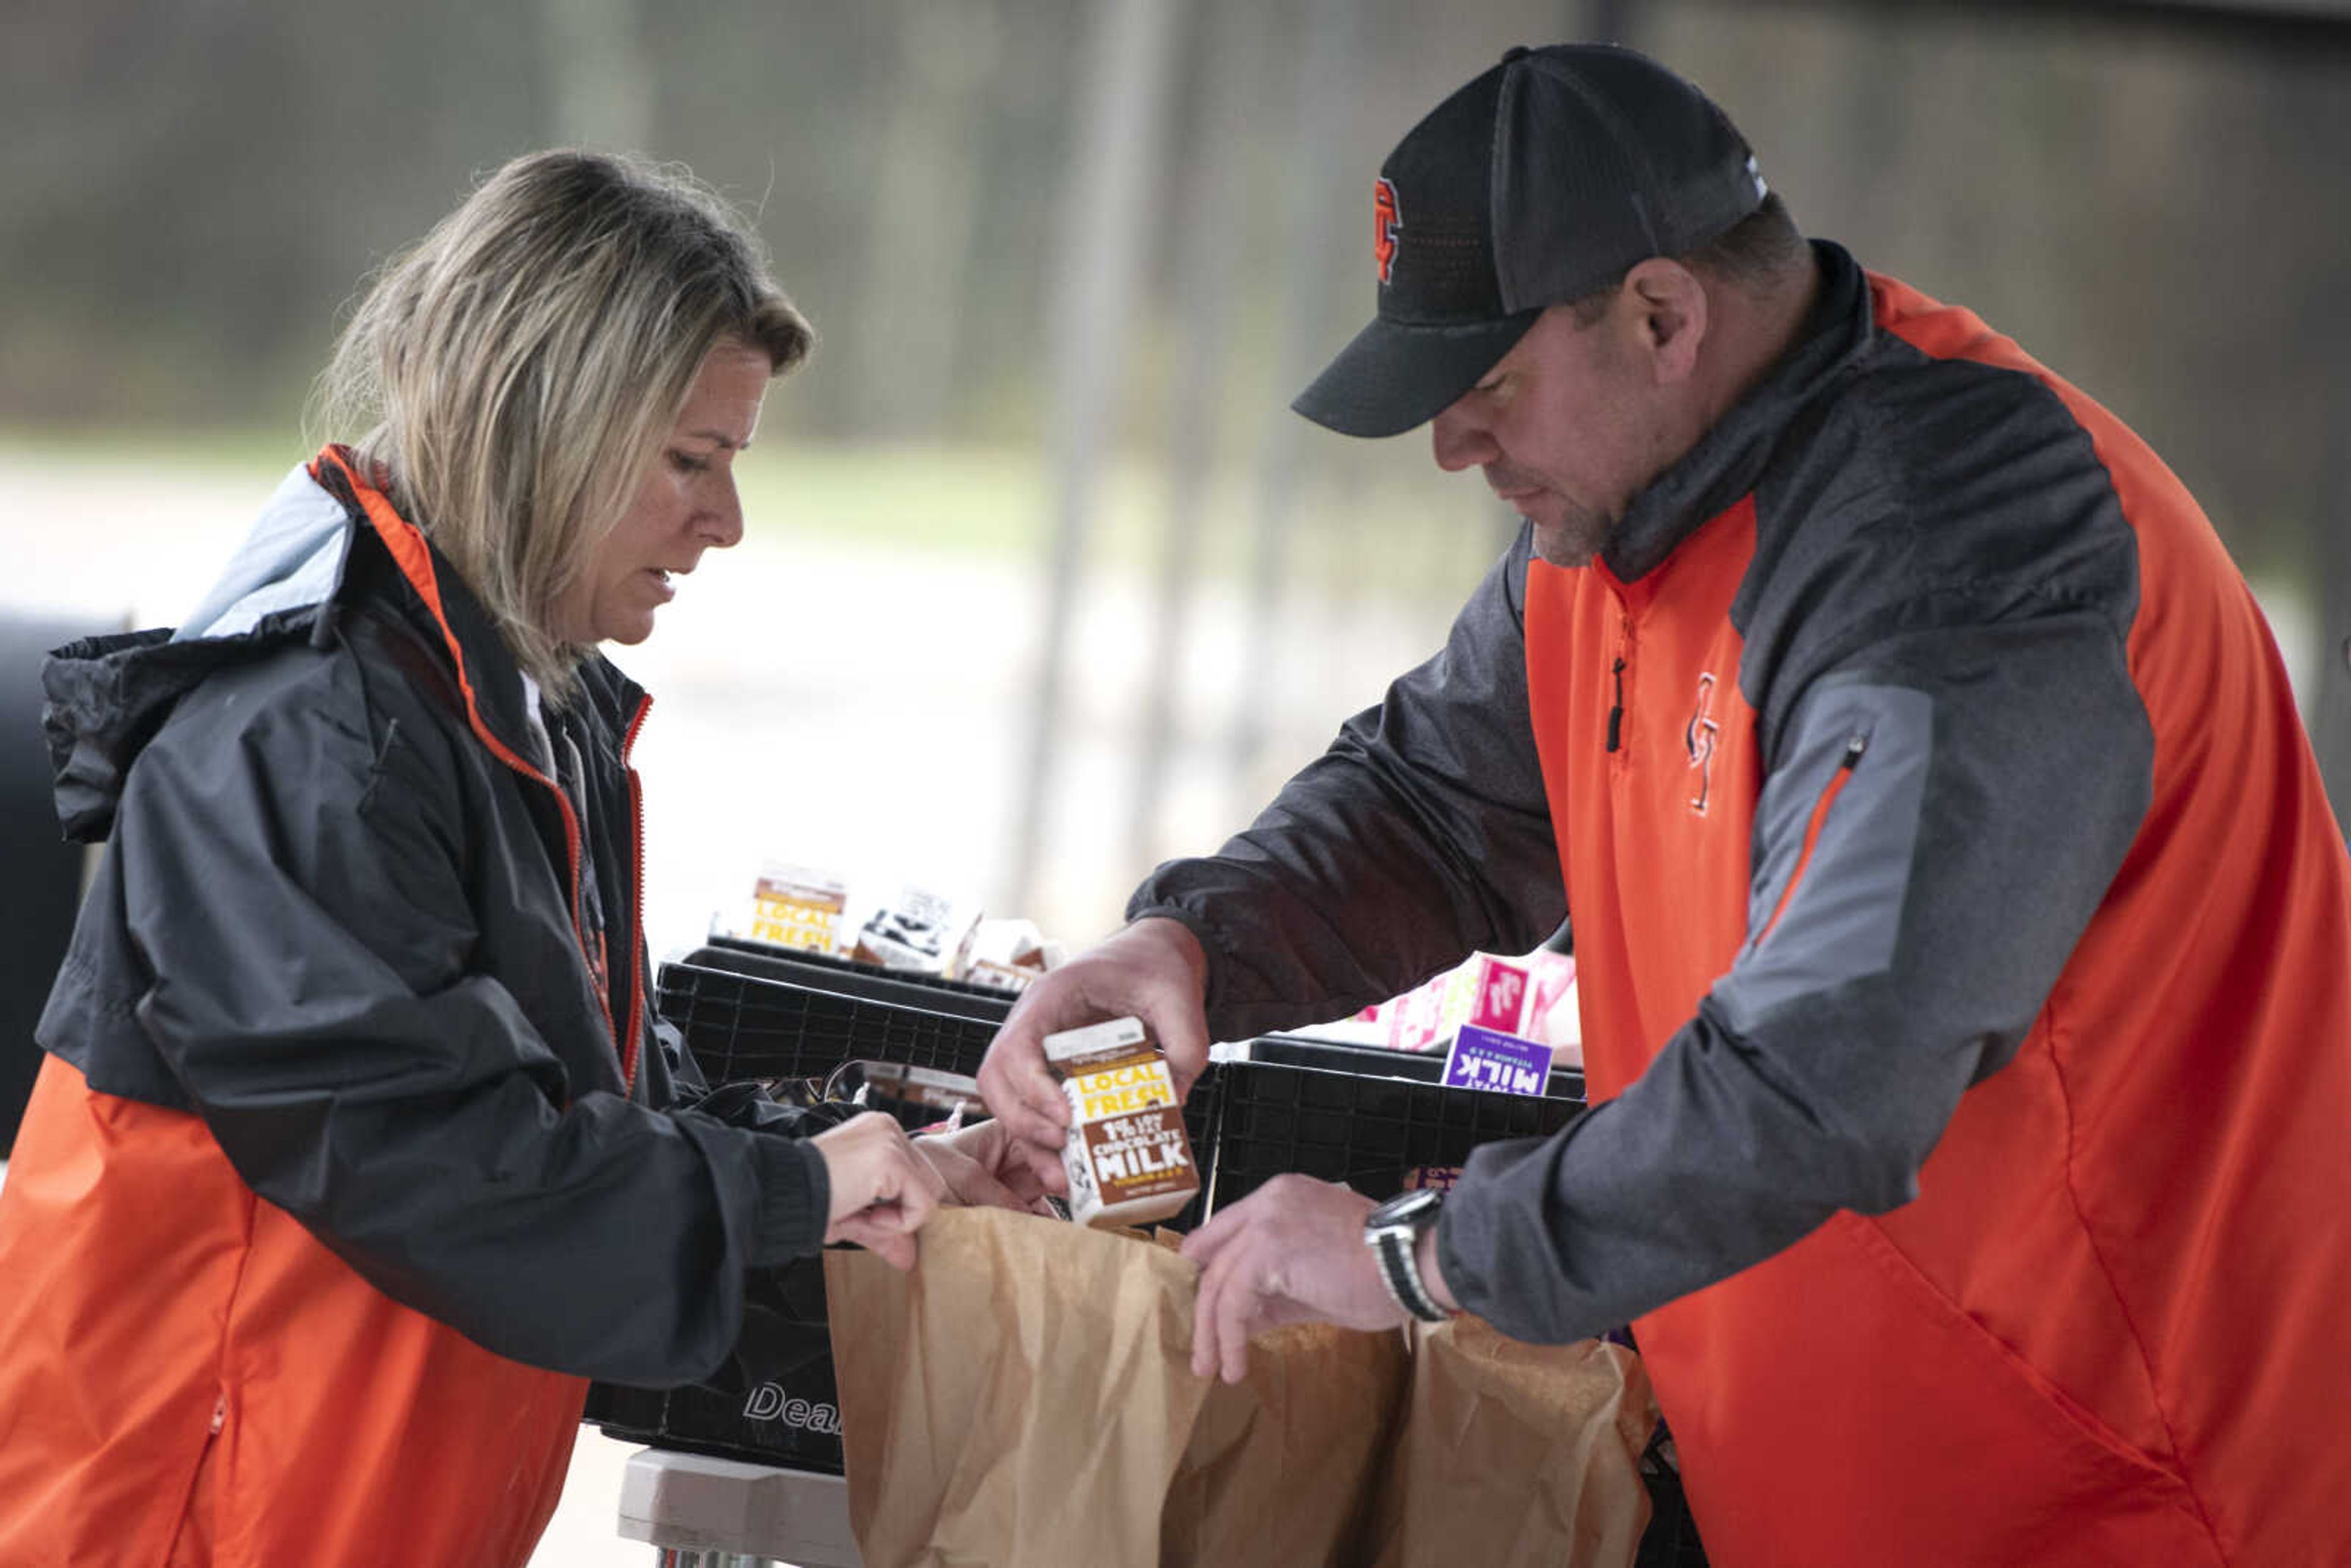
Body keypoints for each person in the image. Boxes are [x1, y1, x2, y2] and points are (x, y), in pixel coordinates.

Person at [978, 43, 2351, 1566]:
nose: (1452, 444)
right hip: (1824, 1477)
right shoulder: (1622, 509)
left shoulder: (1949, 558)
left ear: (1661, 316)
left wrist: (1420, 1261)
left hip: (2125, 1501)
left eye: (1487, 383)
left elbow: (1835, 1066)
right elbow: (1439, 804)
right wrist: (1194, 948)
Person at [0, 150, 1038, 1567]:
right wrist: (797, 1190)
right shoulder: (311, 735)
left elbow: (585, 1104)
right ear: (544, 423)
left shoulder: (509, 698)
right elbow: (448, 1163)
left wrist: (873, 1167)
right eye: (693, 462)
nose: (725, 522)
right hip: (187, 1523)